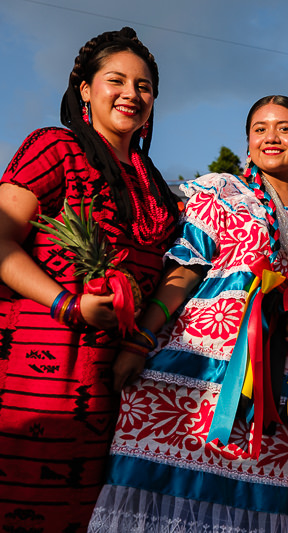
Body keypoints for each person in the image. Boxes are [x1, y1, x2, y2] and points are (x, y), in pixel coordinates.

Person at [88, 95, 288, 532]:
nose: (271, 137)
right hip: (196, 375)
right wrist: (141, 338)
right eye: (260, 128)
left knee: (269, 507)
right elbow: (184, 270)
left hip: (284, 395)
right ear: (247, 142)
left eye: (284, 128)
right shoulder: (223, 193)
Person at [0, 27, 180, 531]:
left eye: (144, 86)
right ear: (84, 88)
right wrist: (68, 304)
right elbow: (1, 241)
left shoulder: (151, 178)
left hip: (121, 385)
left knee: (102, 517)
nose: (131, 94)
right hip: (43, 374)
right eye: (116, 80)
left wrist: (139, 342)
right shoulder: (53, 148)